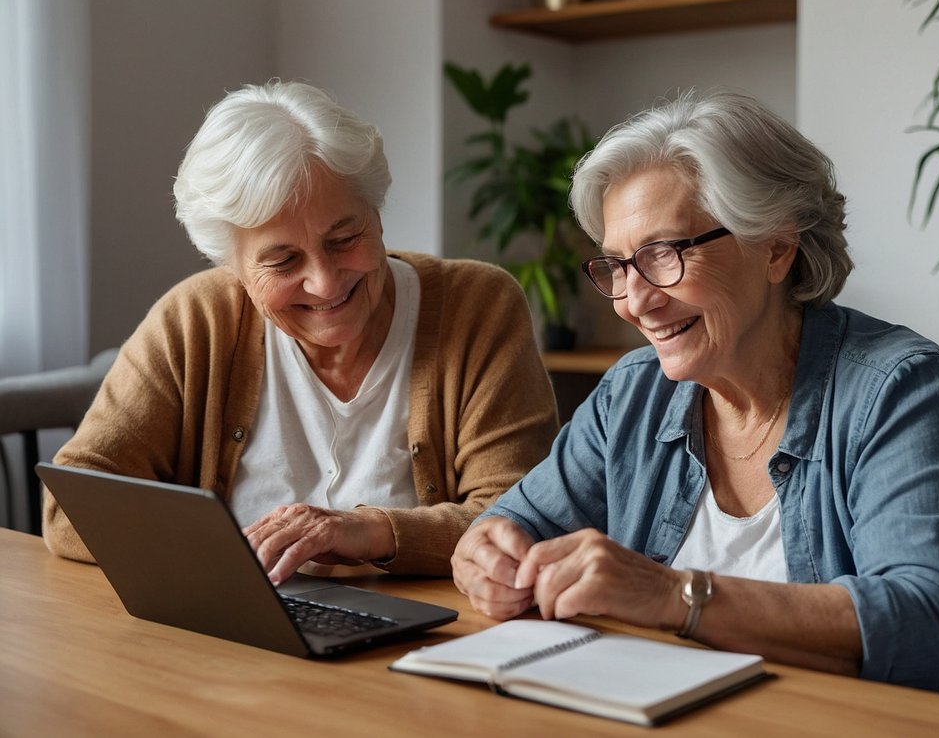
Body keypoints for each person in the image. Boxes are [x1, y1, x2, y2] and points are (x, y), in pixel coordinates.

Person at [451, 90, 939, 712]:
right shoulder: (634, 393)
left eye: (663, 254)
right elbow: (513, 524)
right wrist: (489, 555)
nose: (635, 300)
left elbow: (931, 626)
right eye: (616, 266)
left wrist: (671, 595)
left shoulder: (899, 390)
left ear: (775, 247)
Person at [45, 80, 558, 583]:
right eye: (283, 260)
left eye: (345, 238)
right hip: (241, 640)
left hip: (432, 636)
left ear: (376, 215)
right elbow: (72, 508)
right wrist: (232, 559)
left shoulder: (479, 306)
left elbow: (520, 519)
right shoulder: (196, 319)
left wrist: (372, 530)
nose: (325, 281)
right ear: (235, 269)